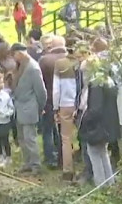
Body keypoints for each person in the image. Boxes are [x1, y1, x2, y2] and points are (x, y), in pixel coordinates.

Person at [78, 66, 119, 187]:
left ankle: (101, 184)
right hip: (109, 123)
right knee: (103, 153)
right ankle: (109, 182)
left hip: (97, 126)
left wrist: (84, 121)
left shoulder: (96, 84)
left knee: (94, 154)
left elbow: (95, 109)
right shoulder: (109, 81)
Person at [11, 43, 47, 174]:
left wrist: (40, 107)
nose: (13, 58)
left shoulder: (32, 68)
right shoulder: (19, 66)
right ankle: (27, 162)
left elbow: (41, 91)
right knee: (21, 138)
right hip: (19, 107)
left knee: (30, 138)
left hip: (29, 107)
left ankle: (36, 165)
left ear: (19, 53)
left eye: (14, 54)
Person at [39, 36, 68, 169]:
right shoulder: (71, 59)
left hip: (49, 99)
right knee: (65, 133)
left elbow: (41, 82)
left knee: (48, 130)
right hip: (68, 100)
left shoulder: (45, 60)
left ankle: (50, 158)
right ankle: (65, 158)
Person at [53, 56, 77, 180]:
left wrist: (55, 107)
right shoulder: (83, 63)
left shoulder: (60, 64)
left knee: (66, 138)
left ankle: (68, 169)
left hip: (65, 103)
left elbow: (56, 89)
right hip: (82, 103)